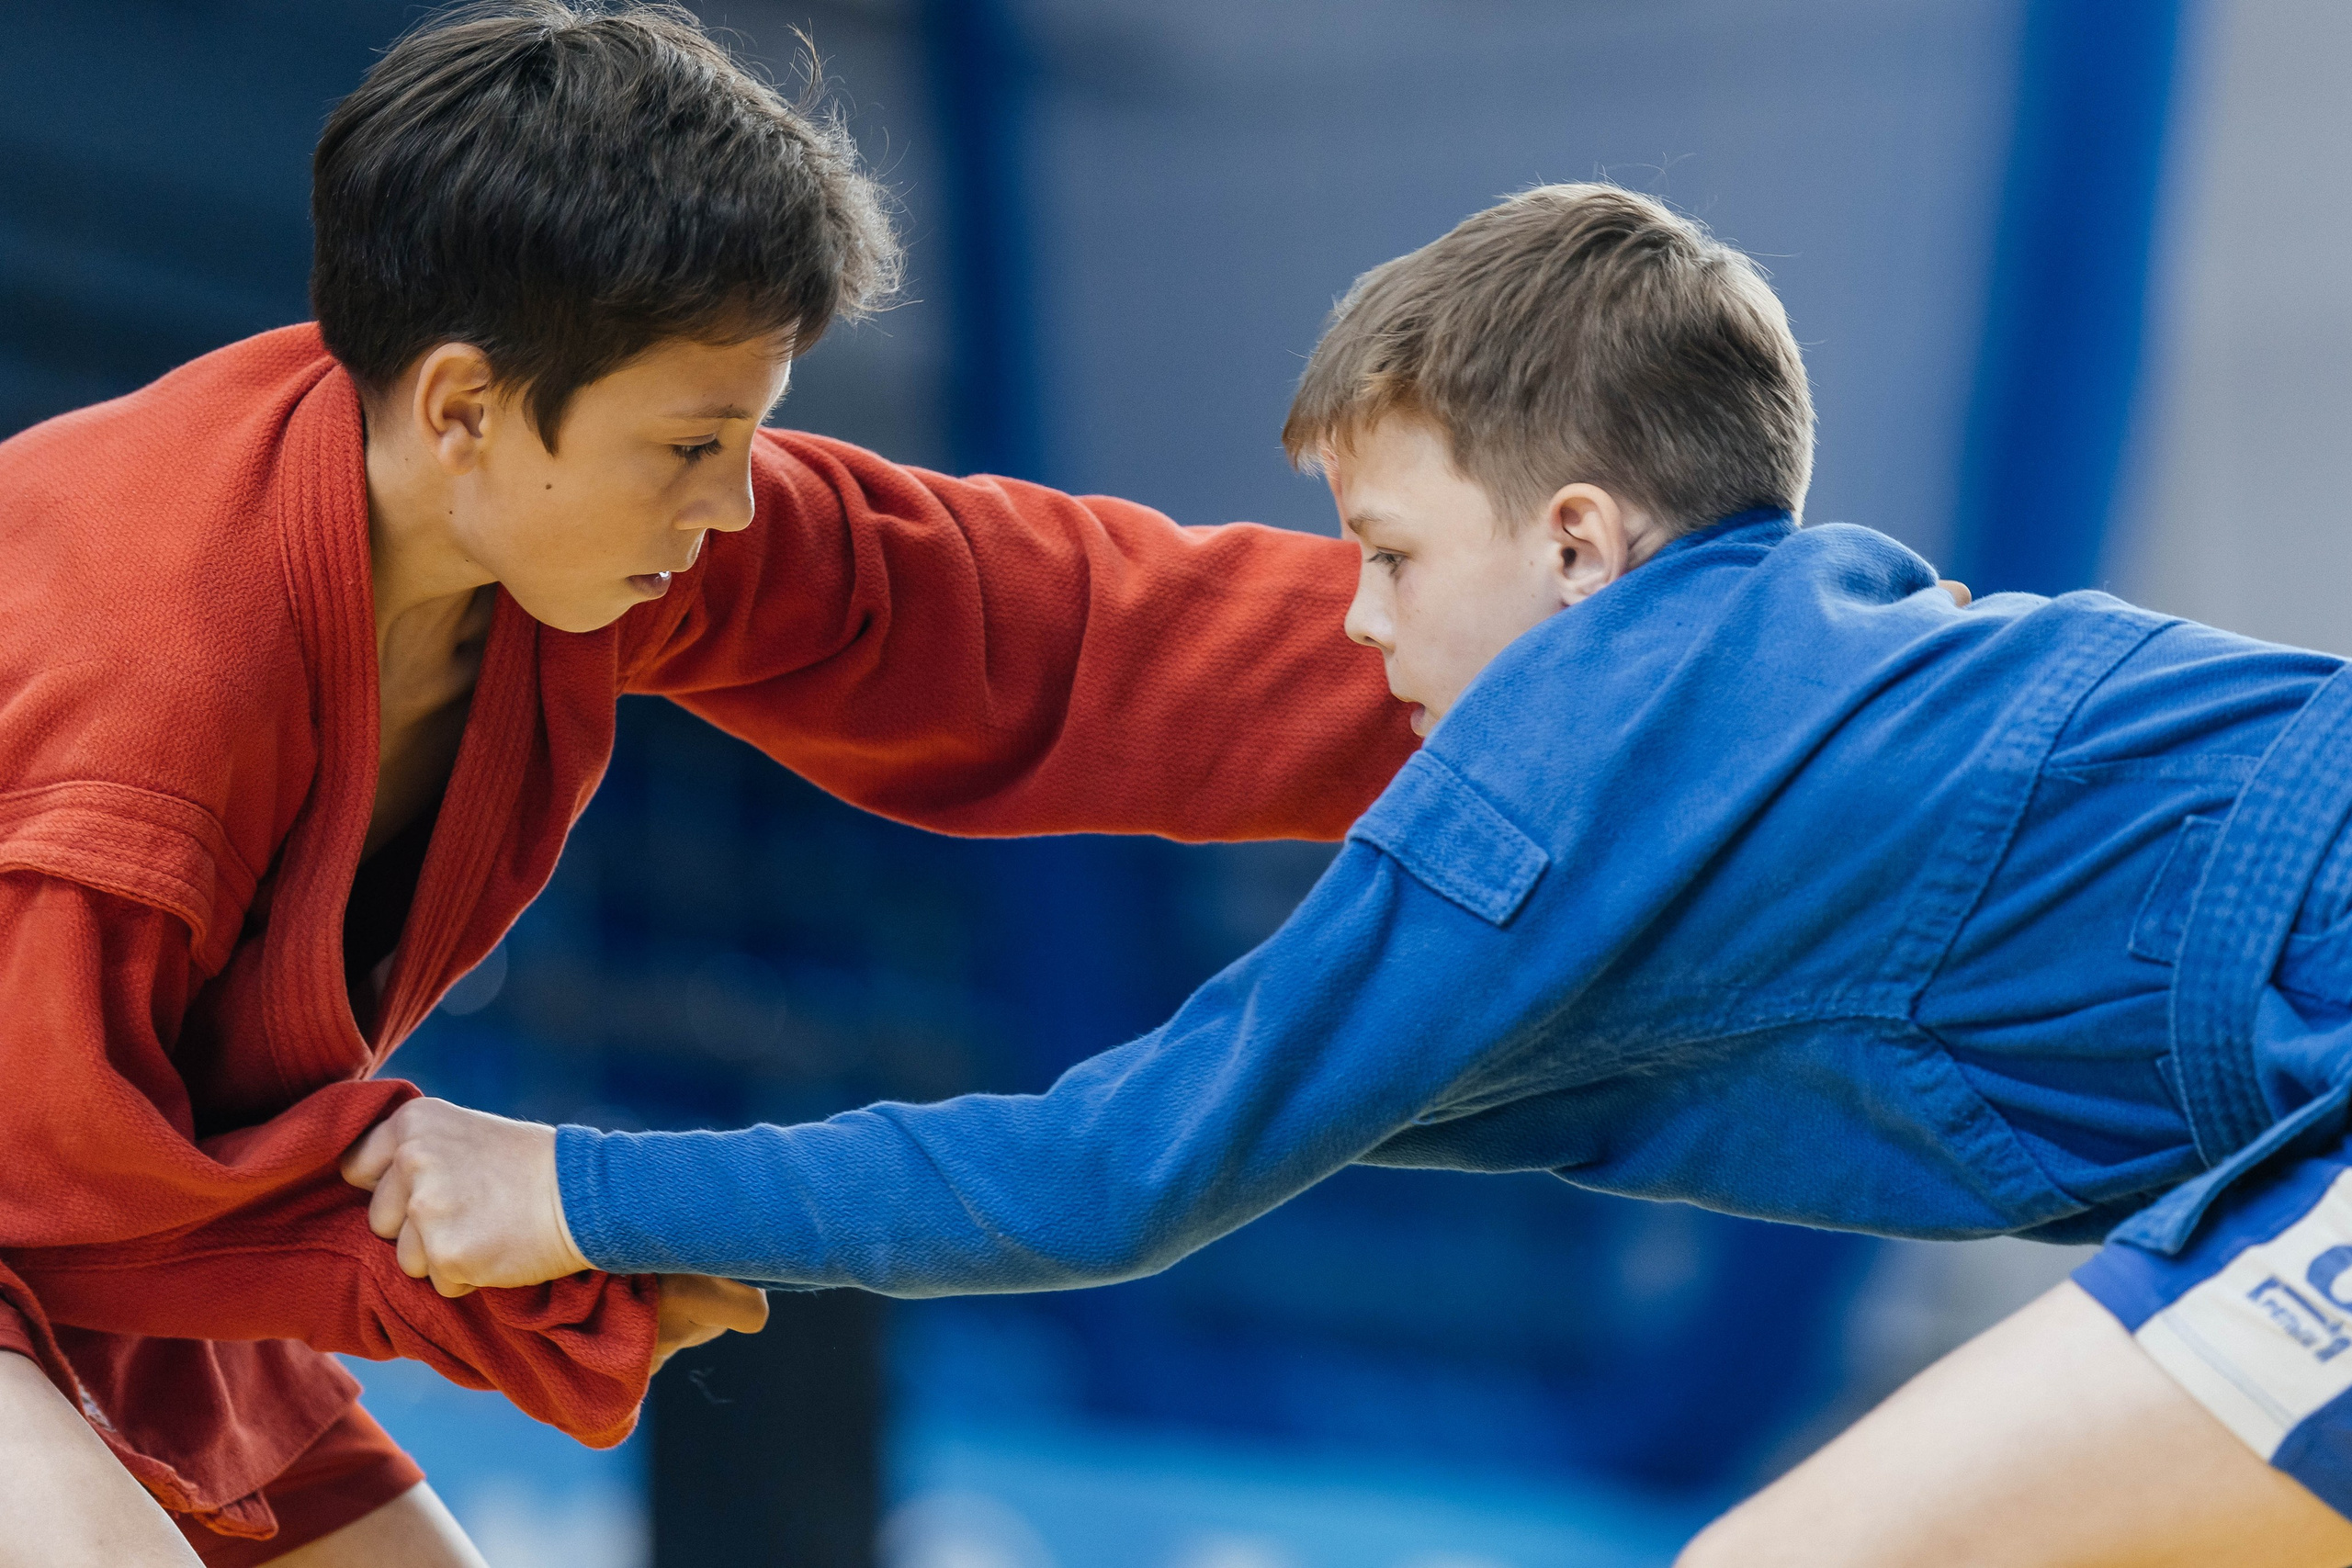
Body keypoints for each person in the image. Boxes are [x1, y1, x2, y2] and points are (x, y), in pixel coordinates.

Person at [357, 180, 2352, 1566]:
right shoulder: (1816, 662)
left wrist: (573, 1183)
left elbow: (1107, 1168)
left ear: (1579, 544)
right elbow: (1295, 1116)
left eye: (1388, 554)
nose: (1355, 625)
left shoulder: (1589, 753)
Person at [0, 5, 1415, 1566]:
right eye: (691, 444)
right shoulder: (149, 672)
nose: (734, 498)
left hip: (133, 1239)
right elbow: (68, 1184)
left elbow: (1032, 630)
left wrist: (1532, 682)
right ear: (465, 406)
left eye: (751, 434)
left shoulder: (542, 527)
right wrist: (560, 1242)